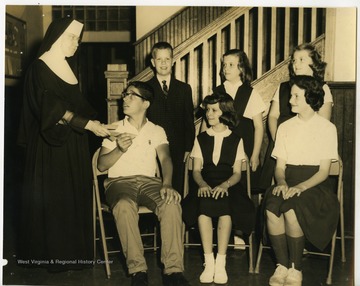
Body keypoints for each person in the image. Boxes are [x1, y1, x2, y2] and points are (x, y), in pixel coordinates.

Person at [17, 18, 110, 271]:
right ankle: (53, 258)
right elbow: (53, 109)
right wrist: (88, 125)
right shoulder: (40, 68)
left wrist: (98, 123)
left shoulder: (67, 68)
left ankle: (73, 255)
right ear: (58, 38)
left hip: (74, 144)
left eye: (79, 39)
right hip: (51, 146)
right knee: (55, 200)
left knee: (72, 197)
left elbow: (78, 106)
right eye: (72, 38)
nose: (76, 44)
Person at [97, 81, 190, 286]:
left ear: (145, 103)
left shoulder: (157, 130)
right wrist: (119, 149)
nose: (125, 98)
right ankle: (138, 271)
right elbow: (102, 165)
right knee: (123, 206)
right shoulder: (114, 129)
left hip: (150, 183)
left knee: (171, 204)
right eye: (125, 95)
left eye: (131, 95)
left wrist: (167, 184)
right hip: (119, 183)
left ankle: (173, 271)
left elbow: (165, 159)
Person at [263, 75, 339, 286]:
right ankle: (282, 265)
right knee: (271, 206)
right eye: (291, 95)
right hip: (288, 181)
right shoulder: (285, 127)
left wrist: (300, 187)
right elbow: (280, 167)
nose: (290, 101)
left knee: (291, 208)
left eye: (296, 96)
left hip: (314, 185)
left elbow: (324, 171)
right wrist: (281, 182)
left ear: (311, 98)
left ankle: (296, 268)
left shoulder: (326, 128)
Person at [182, 92, 255, 284]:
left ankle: (220, 261)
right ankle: (209, 261)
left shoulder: (236, 139)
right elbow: (196, 170)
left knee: (226, 206)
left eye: (213, 110)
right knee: (203, 205)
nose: (208, 114)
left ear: (225, 112)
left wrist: (225, 185)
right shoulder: (201, 139)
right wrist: (203, 184)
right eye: (207, 110)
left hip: (229, 184)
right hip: (205, 183)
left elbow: (238, 173)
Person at [259, 43, 334, 192]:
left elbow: (323, 121)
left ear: (314, 64)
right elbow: (273, 116)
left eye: (301, 60)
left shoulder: (322, 88)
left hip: (308, 146)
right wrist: (278, 138)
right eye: (294, 60)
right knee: (277, 187)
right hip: (282, 140)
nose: (296, 64)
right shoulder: (283, 87)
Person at [146, 41, 195, 196]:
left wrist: (188, 148)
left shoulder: (184, 89)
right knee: (155, 190)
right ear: (153, 62)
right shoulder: (145, 89)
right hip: (153, 148)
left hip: (178, 149)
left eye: (167, 59)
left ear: (173, 61)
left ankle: (178, 220)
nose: (164, 63)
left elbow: (189, 121)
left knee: (178, 188)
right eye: (159, 59)